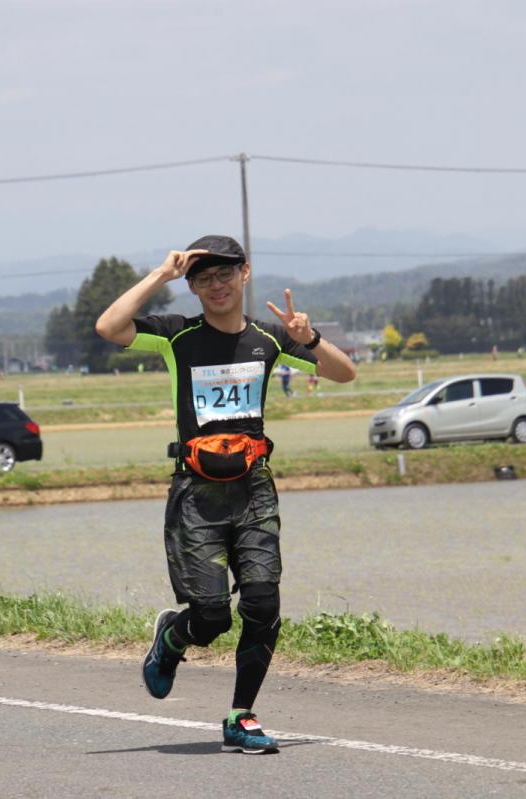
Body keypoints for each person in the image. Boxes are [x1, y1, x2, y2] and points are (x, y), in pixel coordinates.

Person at [95, 235, 357, 754]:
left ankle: (241, 716)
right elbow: (109, 326)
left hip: (253, 489)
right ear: (192, 287)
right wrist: (162, 275)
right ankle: (173, 637)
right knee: (212, 615)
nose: (216, 285)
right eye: (203, 278)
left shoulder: (270, 339)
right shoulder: (177, 336)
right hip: (197, 495)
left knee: (262, 602)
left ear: (245, 274)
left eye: (225, 274)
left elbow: (345, 373)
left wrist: (309, 337)